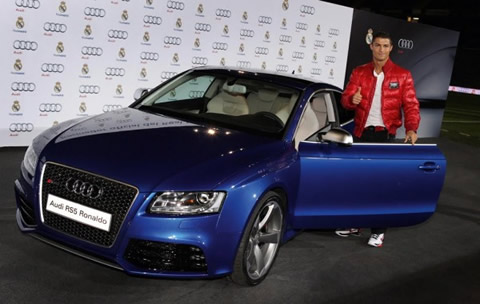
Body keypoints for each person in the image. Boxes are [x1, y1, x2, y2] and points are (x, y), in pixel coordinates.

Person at [336, 31, 421, 247]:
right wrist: (351, 99)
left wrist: (412, 128)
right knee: (357, 182)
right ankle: (355, 224)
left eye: (385, 45)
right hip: (361, 133)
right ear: (371, 47)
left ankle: (378, 231)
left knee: (381, 185)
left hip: (386, 135)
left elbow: (411, 104)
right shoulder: (359, 72)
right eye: (377, 45)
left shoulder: (403, 75)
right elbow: (346, 100)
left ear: (391, 48)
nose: (381, 49)